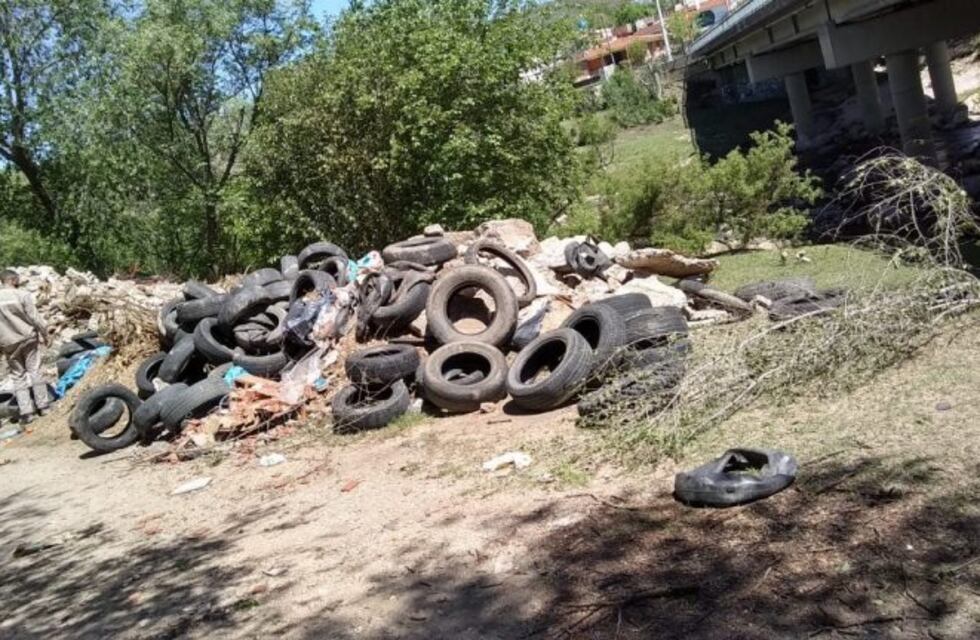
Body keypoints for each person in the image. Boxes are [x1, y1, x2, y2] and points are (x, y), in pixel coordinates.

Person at [0, 269, 49, 421]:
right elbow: (34, 317)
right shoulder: (22, 295)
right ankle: (44, 407)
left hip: (8, 342)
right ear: (13, 280)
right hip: (27, 337)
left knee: (18, 376)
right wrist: (45, 333)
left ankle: (27, 413)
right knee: (35, 370)